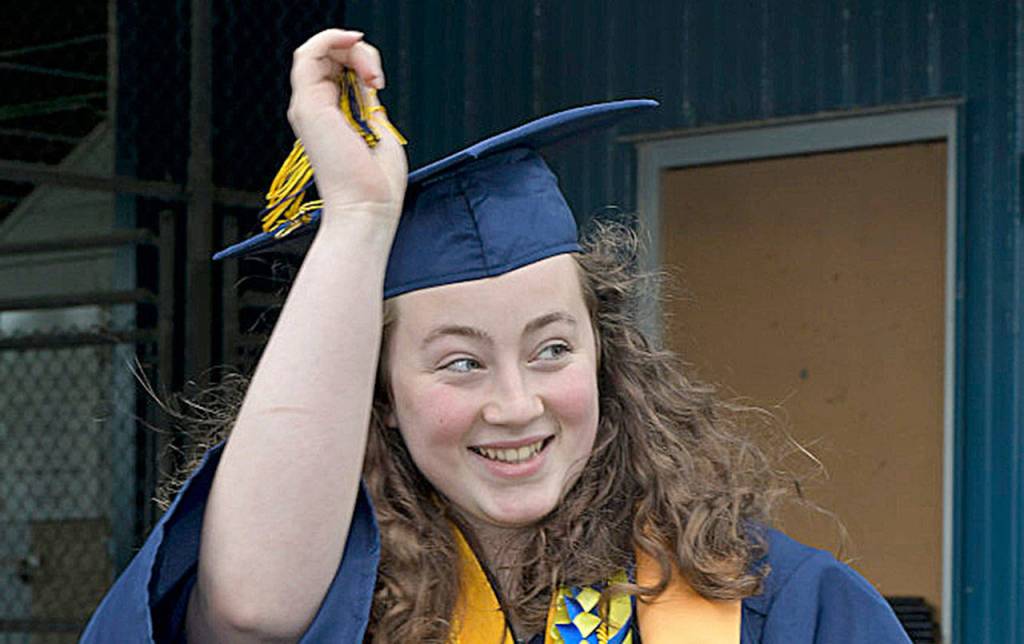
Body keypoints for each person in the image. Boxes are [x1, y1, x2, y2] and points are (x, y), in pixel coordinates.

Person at [82, 28, 912, 643]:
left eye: (552, 348)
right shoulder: (336, 605)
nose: (515, 405)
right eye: (460, 363)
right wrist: (361, 220)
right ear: (381, 395)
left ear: (606, 358)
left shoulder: (784, 609)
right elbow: (249, 612)